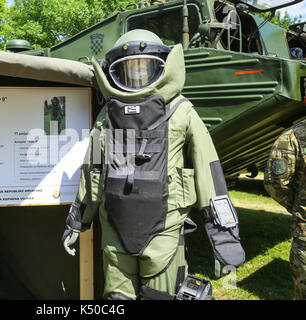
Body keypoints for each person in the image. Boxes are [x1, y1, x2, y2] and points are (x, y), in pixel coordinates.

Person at [62, 29, 245, 300]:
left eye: (144, 68)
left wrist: (225, 241)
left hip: (164, 235)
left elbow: (209, 174)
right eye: (128, 70)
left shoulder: (181, 111)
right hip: (115, 232)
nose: (137, 76)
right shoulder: (107, 116)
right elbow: (93, 172)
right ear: (114, 73)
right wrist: (77, 222)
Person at [264, 119, 306, 300]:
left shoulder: (292, 137)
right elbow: (276, 182)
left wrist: (297, 206)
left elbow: (276, 185)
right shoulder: (293, 138)